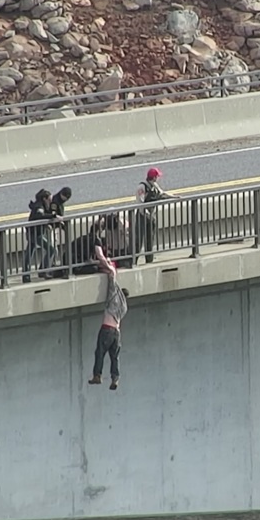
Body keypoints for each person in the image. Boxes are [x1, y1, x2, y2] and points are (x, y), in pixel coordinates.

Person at [88, 244, 128, 390]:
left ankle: (97, 375)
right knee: (114, 357)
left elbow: (112, 278)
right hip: (117, 332)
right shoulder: (124, 306)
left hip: (106, 329)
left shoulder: (114, 296)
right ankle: (115, 378)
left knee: (100, 353)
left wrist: (109, 268)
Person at [133, 167, 177, 264]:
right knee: (138, 241)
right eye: (157, 177)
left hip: (151, 216)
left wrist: (174, 197)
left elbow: (162, 194)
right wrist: (146, 213)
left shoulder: (155, 186)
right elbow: (140, 202)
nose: (158, 178)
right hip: (142, 216)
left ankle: (149, 259)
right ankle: (134, 261)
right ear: (153, 177)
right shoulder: (142, 187)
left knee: (150, 239)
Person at [23, 188, 56, 282]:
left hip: (33, 232)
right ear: (45, 199)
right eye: (49, 199)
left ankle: (26, 276)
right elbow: (40, 216)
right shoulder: (39, 207)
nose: (50, 201)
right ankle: (43, 270)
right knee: (50, 249)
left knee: (29, 254)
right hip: (36, 233)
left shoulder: (41, 205)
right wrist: (52, 216)